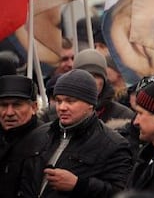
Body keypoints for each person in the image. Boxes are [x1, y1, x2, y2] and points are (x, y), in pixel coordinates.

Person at [19, 69, 132, 197]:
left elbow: (120, 193)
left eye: (70, 101)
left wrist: (79, 185)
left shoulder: (113, 145)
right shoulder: (40, 134)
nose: (62, 107)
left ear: (90, 104)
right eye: (59, 100)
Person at [0, 75, 43, 198]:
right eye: (3, 105)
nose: (9, 113)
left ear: (34, 107)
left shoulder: (45, 141)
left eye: (17, 105)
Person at [73, 48, 135, 123]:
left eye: (96, 76)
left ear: (104, 80)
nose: (92, 81)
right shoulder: (63, 112)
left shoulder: (123, 115)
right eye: (86, 75)